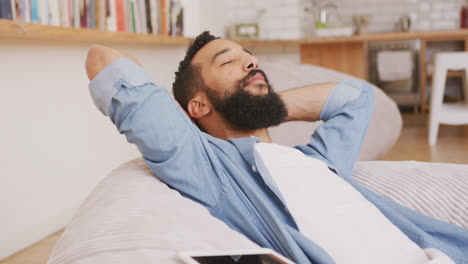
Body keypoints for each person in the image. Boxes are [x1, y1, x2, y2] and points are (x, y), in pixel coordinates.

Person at [85, 32, 467, 264]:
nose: (251, 61)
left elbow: (355, 100)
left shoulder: (318, 161)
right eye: (228, 61)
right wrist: (196, 123)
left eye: (247, 56)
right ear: (198, 106)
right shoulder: (210, 167)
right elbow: (102, 59)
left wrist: (267, 106)